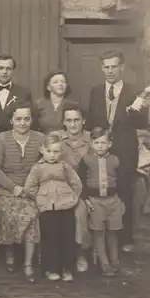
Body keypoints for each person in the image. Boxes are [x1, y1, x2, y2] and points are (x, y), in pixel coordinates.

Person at [87, 50, 149, 253]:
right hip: (100, 149)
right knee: (100, 191)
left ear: (121, 67)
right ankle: (101, 238)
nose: (110, 70)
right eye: (106, 66)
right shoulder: (96, 91)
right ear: (101, 68)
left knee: (124, 192)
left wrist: (140, 109)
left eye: (114, 66)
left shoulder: (134, 92)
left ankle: (125, 238)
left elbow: (141, 123)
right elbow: (92, 122)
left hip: (125, 150)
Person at [0, 103, 44, 282]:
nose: (22, 123)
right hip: (7, 189)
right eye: (18, 119)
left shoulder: (40, 138)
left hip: (31, 189)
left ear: (32, 120)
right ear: (11, 120)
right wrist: (13, 187)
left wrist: (29, 187)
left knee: (32, 213)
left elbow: (42, 167)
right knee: (7, 210)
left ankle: (28, 263)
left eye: (26, 119)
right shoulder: (2, 138)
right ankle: (10, 253)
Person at [24, 133, 82, 282]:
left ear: (61, 152)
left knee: (67, 237)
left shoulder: (64, 166)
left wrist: (71, 198)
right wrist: (40, 198)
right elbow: (30, 187)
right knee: (50, 238)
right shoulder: (37, 168)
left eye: (56, 152)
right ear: (42, 150)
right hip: (47, 208)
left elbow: (76, 183)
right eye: (49, 151)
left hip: (65, 206)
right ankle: (50, 269)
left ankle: (67, 268)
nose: (52, 155)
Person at [77, 127, 125, 276]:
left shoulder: (115, 160)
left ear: (110, 144)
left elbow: (123, 181)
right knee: (98, 233)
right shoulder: (86, 160)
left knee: (113, 232)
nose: (100, 146)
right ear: (91, 143)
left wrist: (121, 200)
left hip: (113, 200)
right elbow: (81, 182)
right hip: (95, 201)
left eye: (103, 143)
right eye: (96, 143)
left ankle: (115, 260)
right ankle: (104, 263)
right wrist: (85, 199)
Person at [51, 104, 92, 272]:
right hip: (60, 188)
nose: (73, 124)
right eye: (69, 120)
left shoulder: (91, 139)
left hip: (84, 189)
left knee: (80, 212)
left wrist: (88, 195)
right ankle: (58, 257)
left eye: (77, 120)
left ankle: (81, 253)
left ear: (83, 121)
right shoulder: (56, 139)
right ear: (64, 122)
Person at [0, 54, 33, 133]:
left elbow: (30, 119)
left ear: (13, 71)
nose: (4, 72)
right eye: (1, 68)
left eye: (8, 68)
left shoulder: (24, 92)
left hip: (14, 139)